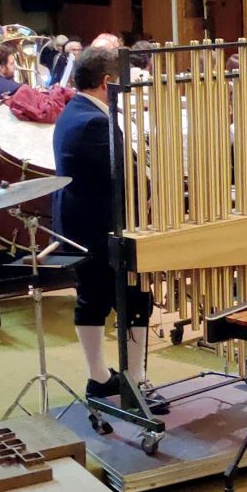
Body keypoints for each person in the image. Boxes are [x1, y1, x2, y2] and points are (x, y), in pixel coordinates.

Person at [53, 46, 156, 402]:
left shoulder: (74, 110)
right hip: (99, 228)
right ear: (106, 82)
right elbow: (123, 177)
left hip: (81, 223)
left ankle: (100, 377)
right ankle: (135, 380)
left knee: (93, 299)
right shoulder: (94, 121)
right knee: (135, 297)